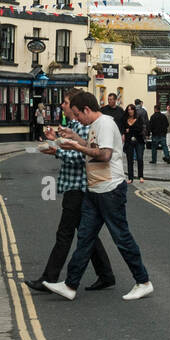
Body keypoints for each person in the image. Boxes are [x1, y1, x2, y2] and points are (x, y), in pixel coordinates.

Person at [44, 91, 154, 301]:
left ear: (86, 109)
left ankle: (143, 281)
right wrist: (72, 137)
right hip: (95, 190)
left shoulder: (104, 124)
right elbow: (91, 146)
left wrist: (76, 145)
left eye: (77, 114)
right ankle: (70, 285)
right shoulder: (94, 126)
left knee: (121, 237)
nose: (76, 118)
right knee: (85, 239)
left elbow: (104, 155)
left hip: (110, 190)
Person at [25, 91, 115, 293]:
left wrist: (57, 151)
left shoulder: (84, 127)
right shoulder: (75, 126)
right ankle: (106, 274)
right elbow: (70, 150)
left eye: (66, 103)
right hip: (74, 185)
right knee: (86, 233)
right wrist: (54, 140)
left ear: (77, 106)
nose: (63, 106)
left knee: (65, 233)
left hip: (79, 187)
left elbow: (83, 156)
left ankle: (49, 278)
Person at [123, 104, 146, 183]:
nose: (130, 111)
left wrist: (129, 130)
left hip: (139, 141)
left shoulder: (139, 118)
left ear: (134, 110)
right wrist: (126, 132)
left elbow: (140, 129)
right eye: (128, 110)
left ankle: (141, 176)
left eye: (131, 109)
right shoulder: (125, 119)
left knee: (140, 158)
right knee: (129, 159)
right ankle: (130, 178)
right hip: (129, 141)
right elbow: (123, 129)